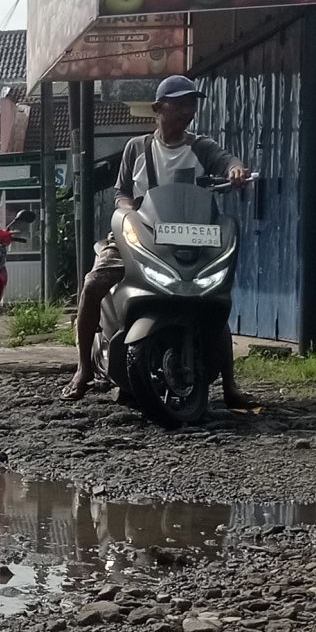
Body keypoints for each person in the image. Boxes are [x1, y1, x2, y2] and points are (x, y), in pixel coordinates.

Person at [62, 75, 256, 408]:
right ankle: (82, 369)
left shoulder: (201, 146)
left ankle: (229, 386)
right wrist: (129, 214)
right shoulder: (136, 148)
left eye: (191, 104)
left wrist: (236, 170)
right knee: (94, 283)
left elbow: (228, 162)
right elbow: (122, 192)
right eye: (179, 104)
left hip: (192, 237)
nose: (187, 111)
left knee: (215, 298)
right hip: (141, 233)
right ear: (158, 108)